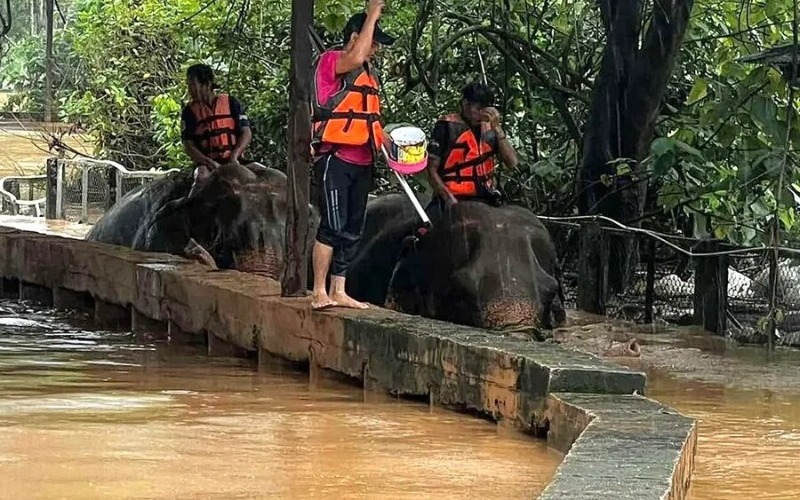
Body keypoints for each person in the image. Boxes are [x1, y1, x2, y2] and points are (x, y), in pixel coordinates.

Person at [309, 0, 395, 310]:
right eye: (373, 41)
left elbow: (371, 121)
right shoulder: (332, 61)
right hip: (335, 158)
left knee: (352, 228)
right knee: (332, 225)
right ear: (355, 37)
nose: (375, 50)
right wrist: (372, 13)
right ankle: (318, 289)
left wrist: (394, 146)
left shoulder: (367, 75)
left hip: (362, 160)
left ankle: (339, 289)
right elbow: (357, 53)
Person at [426, 81, 518, 213]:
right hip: (453, 196)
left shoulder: (491, 128)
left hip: (487, 197)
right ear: (465, 103)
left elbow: (512, 163)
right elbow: (431, 170)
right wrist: (448, 198)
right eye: (478, 109)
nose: (481, 114)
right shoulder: (445, 127)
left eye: (485, 109)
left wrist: (497, 128)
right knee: (423, 228)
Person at [180, 63, 262, 194]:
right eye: (188, 85)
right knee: (201, 177)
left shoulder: (231, 102)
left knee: (264, 172)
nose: (190, 89)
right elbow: (188, 145)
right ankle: (189, 211)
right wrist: (208, 162)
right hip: (207, 165)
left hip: (236, 161)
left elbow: (246, 132)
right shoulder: (189, 112)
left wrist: (234, 156)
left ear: (206, 83)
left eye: (193, 84)